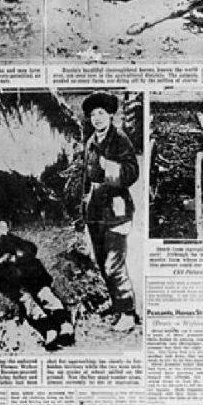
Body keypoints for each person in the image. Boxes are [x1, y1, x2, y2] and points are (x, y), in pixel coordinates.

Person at [0, 219, 75, 350]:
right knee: (27, 303)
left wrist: (18, 256)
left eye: (5, 225)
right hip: (7, 278)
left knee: (46, 295)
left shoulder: (14, 239)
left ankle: (64, 324)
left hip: (31, 273)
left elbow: (31, 248)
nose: (3, 228)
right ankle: (49, 331)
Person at [80, 91, 140, 333]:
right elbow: (85, 176)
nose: (97, 118)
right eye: (93, 114)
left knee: (114, 263)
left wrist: (109, 167)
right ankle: (116, 304)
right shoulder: (90, 141)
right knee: (102, 260)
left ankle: (127, 311)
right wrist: (83, 204)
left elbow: (132, 172)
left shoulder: (120, 139)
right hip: (95, 210)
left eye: (101, 113)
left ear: (111, 115)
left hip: (116, 208)